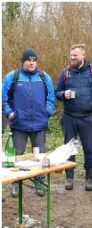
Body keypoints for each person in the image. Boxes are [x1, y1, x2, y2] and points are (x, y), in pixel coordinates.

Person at [2, 47, 55, 196]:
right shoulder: (13, 77)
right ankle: (16, 183)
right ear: (23, 61)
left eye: (34, 60)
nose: (31, 63)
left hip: (39, 124)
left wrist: (47, 112)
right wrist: (9, 113)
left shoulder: (44, 77)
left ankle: (39, 182)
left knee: (39, 155)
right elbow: (4, 98)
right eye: (28, 60)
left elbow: (51, 98)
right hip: (19, 124)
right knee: (17, 155)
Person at [55, 43, 92, 192]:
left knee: (89, 149)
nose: (72, 58)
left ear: (83, 55)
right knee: (69, 149)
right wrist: (63, 94)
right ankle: (69, 177)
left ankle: (89, 178)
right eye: (71, 55)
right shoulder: (65, 72)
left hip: (88, 118)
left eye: (75, 55)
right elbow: (57, 92)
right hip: (69, 117)